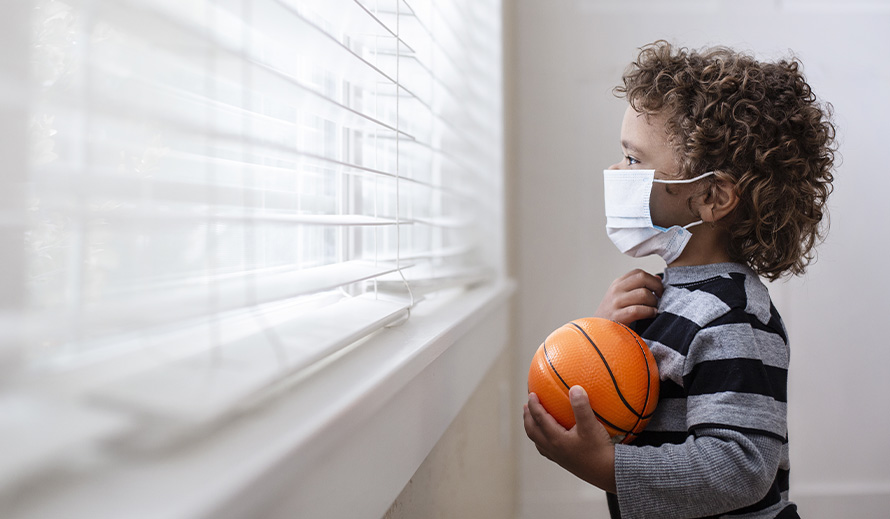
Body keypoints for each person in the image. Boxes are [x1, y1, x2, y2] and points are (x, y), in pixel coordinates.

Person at [523, 40, 836, 519]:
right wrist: (605, 337)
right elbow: (637, 402)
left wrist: (609, 469)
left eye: (633, 160)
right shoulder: (672, 295)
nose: (614, 171)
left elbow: (741, 468)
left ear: (711, 196)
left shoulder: (734, 317)